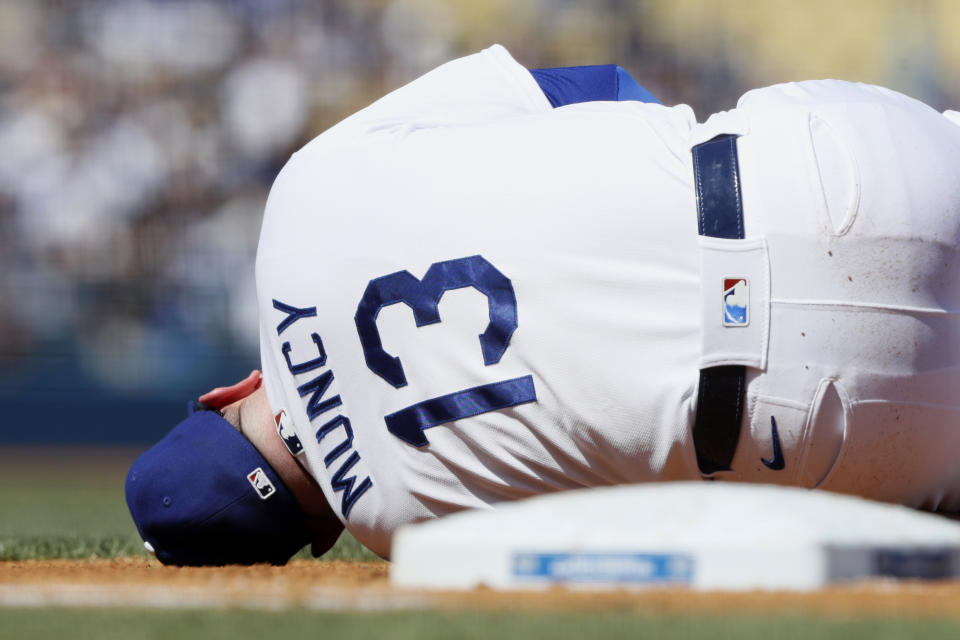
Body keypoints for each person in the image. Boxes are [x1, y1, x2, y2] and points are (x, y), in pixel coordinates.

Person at [126, 45, 960, 566]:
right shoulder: (299, 196)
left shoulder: (395, 524)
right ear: (224, 395)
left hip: (826, 417)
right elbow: (590, 87)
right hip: (820, 179)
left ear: (316, 537)